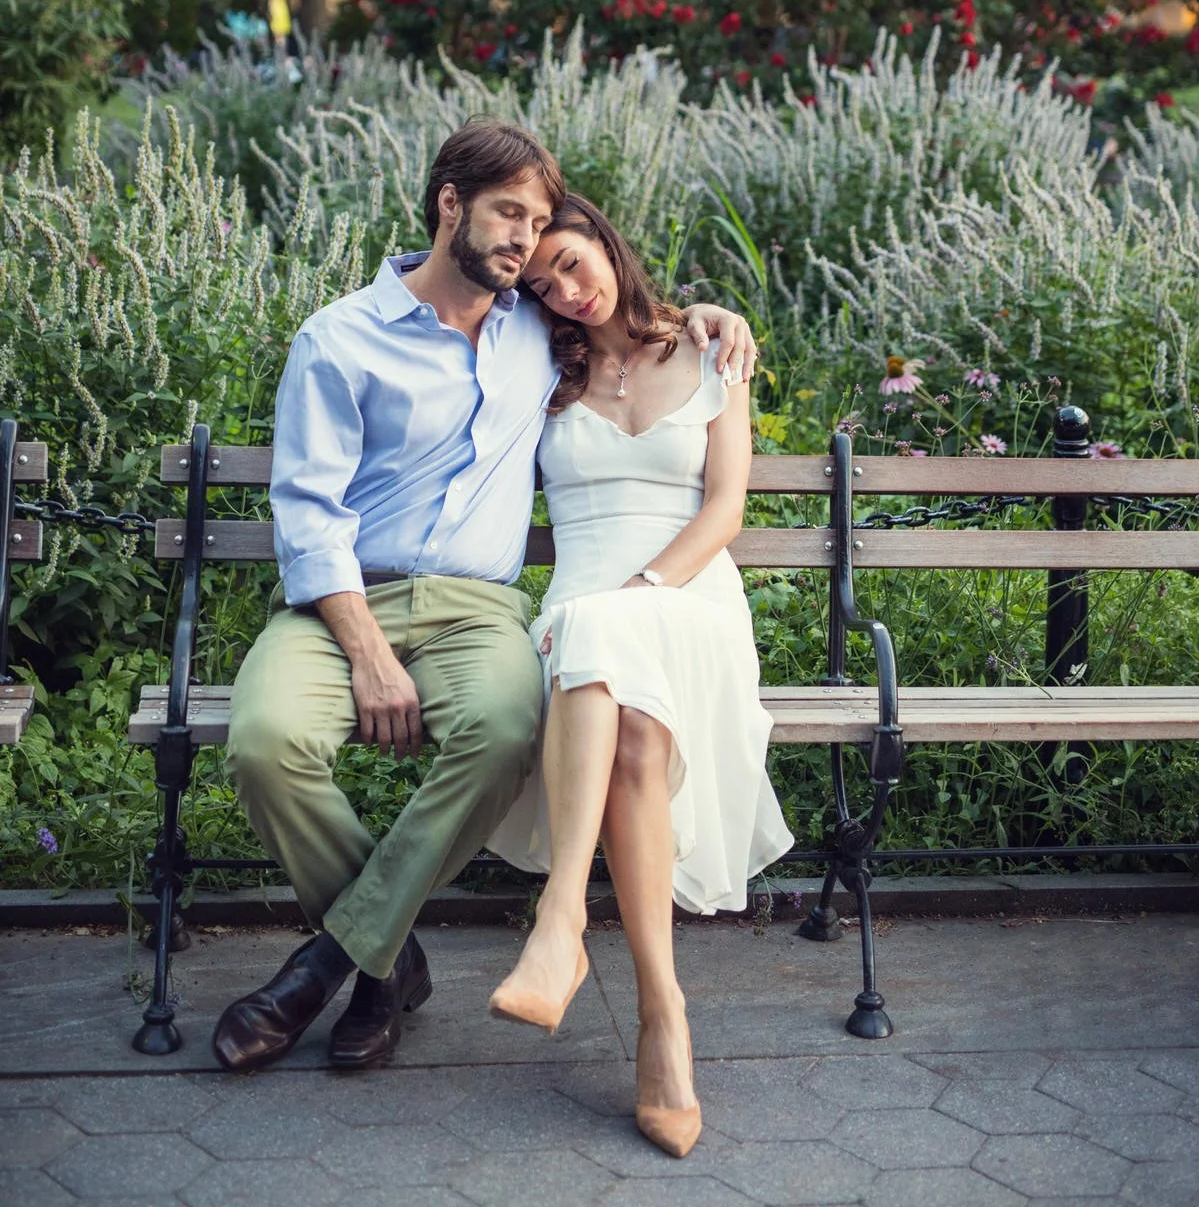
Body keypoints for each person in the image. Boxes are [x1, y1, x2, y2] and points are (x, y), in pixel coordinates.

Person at [212, 120, 756, 1073]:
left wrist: (711, 311)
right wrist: (369, 655)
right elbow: (307, 514)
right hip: (341, 606)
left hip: (476, 612)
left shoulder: (538, 335)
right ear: (448, 204)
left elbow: (632, 323)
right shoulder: (339, 340)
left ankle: (327, 966)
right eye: (509, 214)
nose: (525, 244)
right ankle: (379, 964)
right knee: (263, 744)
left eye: (541, 223)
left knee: (508, 728)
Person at [487, 195, 793, 1158]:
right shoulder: (537, 369)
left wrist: (642, 591)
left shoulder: (710, 351)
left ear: (607, 242)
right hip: (580, 620)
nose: (566, 294)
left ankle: (561, 922)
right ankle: (664, 1018)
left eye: (572, 264)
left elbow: (726, 508)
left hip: (688, 598)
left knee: (605, 637)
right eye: (542, 286)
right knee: (628, 720)